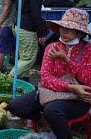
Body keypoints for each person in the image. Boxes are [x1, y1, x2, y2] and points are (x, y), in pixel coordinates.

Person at [8, 8, 91, 139]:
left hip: (79, 98)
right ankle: (44, 120)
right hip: (51, 92)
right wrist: (70, 86)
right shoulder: (51, 47)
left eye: (70, 28)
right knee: (15, 105)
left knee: (52, 110)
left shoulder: (88, 50)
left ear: (80, 32)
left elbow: (87, 80)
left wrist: (67, 60)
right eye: (62, 26)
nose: (64, 30)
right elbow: (46, 78)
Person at [8, 0, 47, 79]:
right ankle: (9, 79)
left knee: (24, 56)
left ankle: (23, 80)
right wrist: (42, 33)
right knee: (29, 59)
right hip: (27, 27)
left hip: (18, 25)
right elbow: (36, 13)